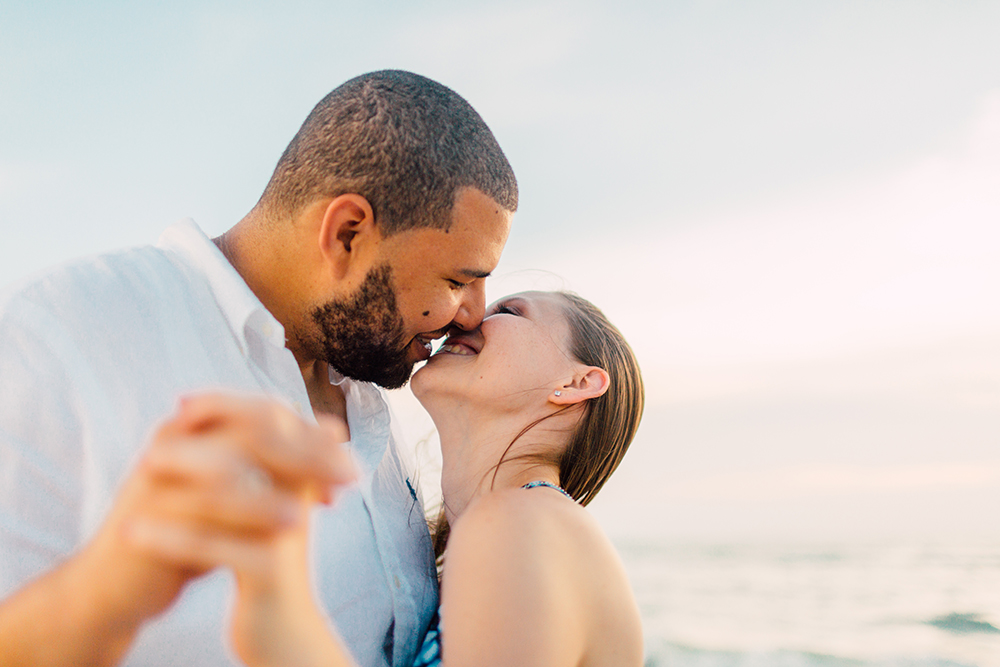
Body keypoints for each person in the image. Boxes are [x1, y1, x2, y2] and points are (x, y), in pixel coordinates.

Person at [0, 70, 517, 667]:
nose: (473, 314)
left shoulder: (364, 380)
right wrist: (110, 589)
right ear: (347, 234)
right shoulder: (53, 335)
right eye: (457, 281)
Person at [129, 290, 646, 667]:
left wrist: (273, 596)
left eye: (508, 312)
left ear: (577, 383)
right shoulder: (510, 531)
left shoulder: (518, 523)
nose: (461, 319)